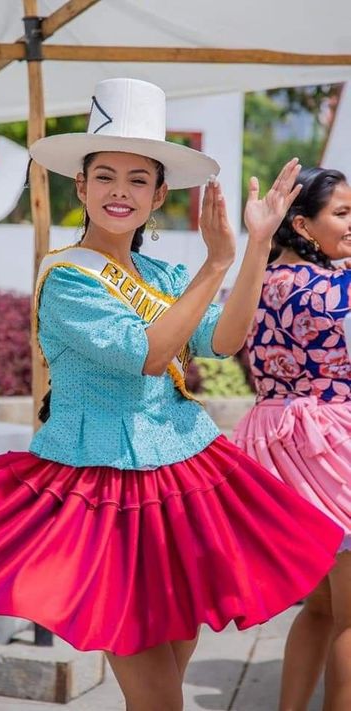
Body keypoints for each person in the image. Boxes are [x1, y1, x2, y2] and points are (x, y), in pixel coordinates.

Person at [0, 79, 343, 711]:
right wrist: (215, 264)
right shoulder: (68, 276)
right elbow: (152, 355)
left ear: (158, 194)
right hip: (101, 490)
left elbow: (224, 339)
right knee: (157, 698)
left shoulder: (162, 274)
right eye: (104, 176)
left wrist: (255, 246)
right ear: (81, 186)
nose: (118, 192)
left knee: (164, 690)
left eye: (136, 179)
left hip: (183, 477)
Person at [233, 167, 351, 711]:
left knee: (322, 607)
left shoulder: (256, 283)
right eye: (343, 214)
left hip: (274, 447)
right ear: (303, 225)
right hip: (334, 447)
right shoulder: (340, 289)